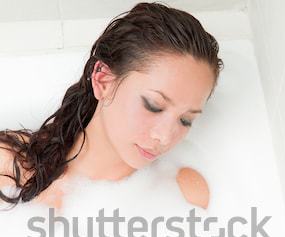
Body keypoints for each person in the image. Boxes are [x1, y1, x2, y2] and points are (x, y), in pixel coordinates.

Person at [0, 1, 224, 212]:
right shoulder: (8, 165)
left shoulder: (185, 194)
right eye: (154, 106)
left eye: (186, 120)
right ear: (103, 81)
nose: (165, 137)